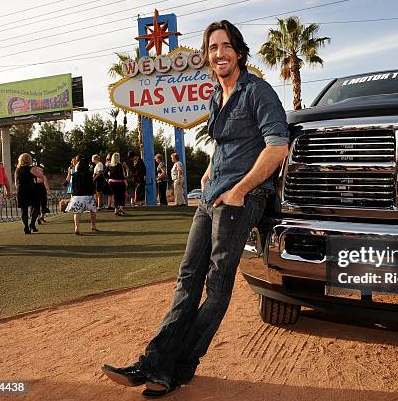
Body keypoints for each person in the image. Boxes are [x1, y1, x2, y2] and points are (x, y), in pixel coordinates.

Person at [102, 20, 289, 397]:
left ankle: (179, 367)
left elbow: (277, 146)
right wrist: (207, 172)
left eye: (225, 46)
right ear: (207, 55)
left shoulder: (258, 91)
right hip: (210, 198)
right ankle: (153, 364)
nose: (218, 53)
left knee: (216, 286)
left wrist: (239, 189)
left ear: (238, 51)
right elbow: (225, 144)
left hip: (241, 200)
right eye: (212, 48)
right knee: (188, 279)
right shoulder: (215, 96)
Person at [65, 156, 98, 235]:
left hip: (77, 195)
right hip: (88, 195)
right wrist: (95, 194)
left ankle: (77, 228)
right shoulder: (89, 174)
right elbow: (91, 185)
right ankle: (93, 226)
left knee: (77, 212)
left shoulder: (75, 174)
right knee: (92, 211)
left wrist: (74, 194)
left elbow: (73, 186)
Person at [15, 153, 44, 234]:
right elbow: (41, 176)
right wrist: (39, 170)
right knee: (36, 207)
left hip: (21, 190)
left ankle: (26, 227)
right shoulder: (31, 168)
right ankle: (32, 224)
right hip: (31, 189)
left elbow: (15, 182)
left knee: (24, 210)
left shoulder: (17, 169)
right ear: (29, 159)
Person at [107, 152, 127, 216]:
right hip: (120, 182)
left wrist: (108, 178)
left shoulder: (109, 165)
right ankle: (121, 208)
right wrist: (125, 181)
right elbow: (121, 175)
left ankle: (116, 209)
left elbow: (104, 173)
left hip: (112, 183)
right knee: (121, 196)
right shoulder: (119, 165)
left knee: (115, 196)